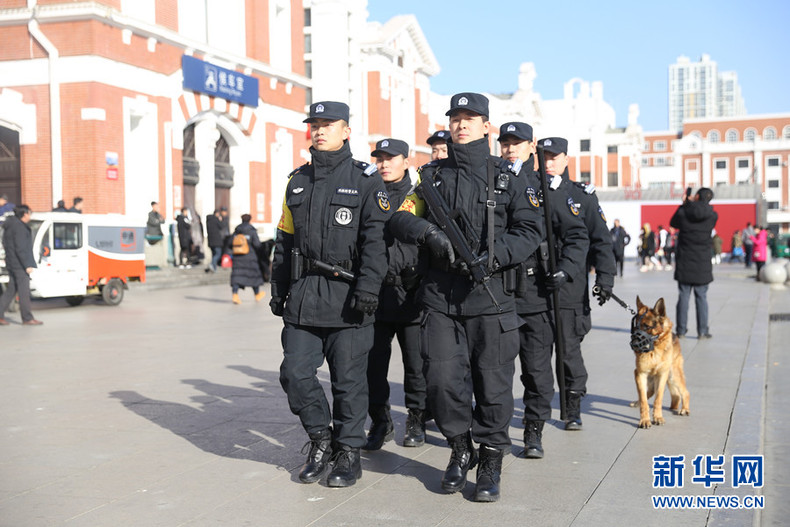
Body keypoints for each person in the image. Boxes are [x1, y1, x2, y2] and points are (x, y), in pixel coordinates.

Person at [389, 94, 544, 502]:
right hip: (440, 298)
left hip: (491, 298)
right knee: (440, 382)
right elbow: (400, 215)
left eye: (470, 119)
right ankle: (460, 447)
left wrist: (494, 257)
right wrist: (429, 234)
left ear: (487, 127)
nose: (461, 125)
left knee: (493, 385)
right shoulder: (431, 178)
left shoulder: (509, 178)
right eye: (456, 118)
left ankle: (491, 457)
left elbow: (530, 230)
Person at [270, 101, 389, 488]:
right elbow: (284, 241)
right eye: (315, 124)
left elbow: (376, 243)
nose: (319, 130)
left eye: (328, 124)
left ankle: (348, 453)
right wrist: (278, 288)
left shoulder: (367, 179)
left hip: (349, 297)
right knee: (295, 373)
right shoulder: (297, 181)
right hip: (304, 297)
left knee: (349, 383)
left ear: (346, 131)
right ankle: (321, 439)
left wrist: (369, 289)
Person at [498, 124, 588, 459]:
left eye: (517, 144)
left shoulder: (544, 188)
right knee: (497, 371)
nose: (510, 150)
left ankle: (534, 429)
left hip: (536, 293)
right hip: (500, 292)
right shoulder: (493, 179)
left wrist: (565, 268)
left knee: (537, 371)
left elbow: (578, 235)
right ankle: (496, 430)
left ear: (531, 147)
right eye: (504, 144)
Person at [537, 137, 616, 432]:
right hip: (536, 287)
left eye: (554, 157)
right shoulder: (530, 191)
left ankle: (572, 408)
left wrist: (605, 279)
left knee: (569, 352)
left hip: (570, 289)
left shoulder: (581, 196)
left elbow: (601, 242)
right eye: (544, 157)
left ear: (566, 160)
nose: (548, 163)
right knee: (538, 355)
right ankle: (540, 408)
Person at [363, 138, 427, 452]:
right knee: (374, 363)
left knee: (415, 363)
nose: (384, 164)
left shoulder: (421, 193)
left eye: (391, 158)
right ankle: (381, 420)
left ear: (406, 159)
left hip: (411, 292)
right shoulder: (368, 192)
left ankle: (416, 418)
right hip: (376, 292)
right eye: (380, 158)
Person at [670, 187, 718, 339]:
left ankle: (681, 331)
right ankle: (703, 331)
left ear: (696, 196)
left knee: (683, 296)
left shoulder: (684, 212)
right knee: (701, 296)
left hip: (685, 259)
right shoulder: (712, 215)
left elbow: (673, 222)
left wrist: (684, 204)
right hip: (702, 261)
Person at [0, 205, 43, 326]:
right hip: (19, 264)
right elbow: (21, 249)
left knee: (11, 290)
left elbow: (6, 244)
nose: (30, 216)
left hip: (12, 262)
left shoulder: (10, 225)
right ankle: (27, 317)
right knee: (24, 292)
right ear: (24, 214)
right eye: (29, 214)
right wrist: (27, 265)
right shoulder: (19, 227)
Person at [230, 214, 265, 303]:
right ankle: (257, 295)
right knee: (254, 275)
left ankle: (235, 295)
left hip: (238, 258)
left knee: (237, 276)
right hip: (250, 257)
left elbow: (230, 242)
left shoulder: (237, 230)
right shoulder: (252, 230)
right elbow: (257, 244)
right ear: (250, 220)